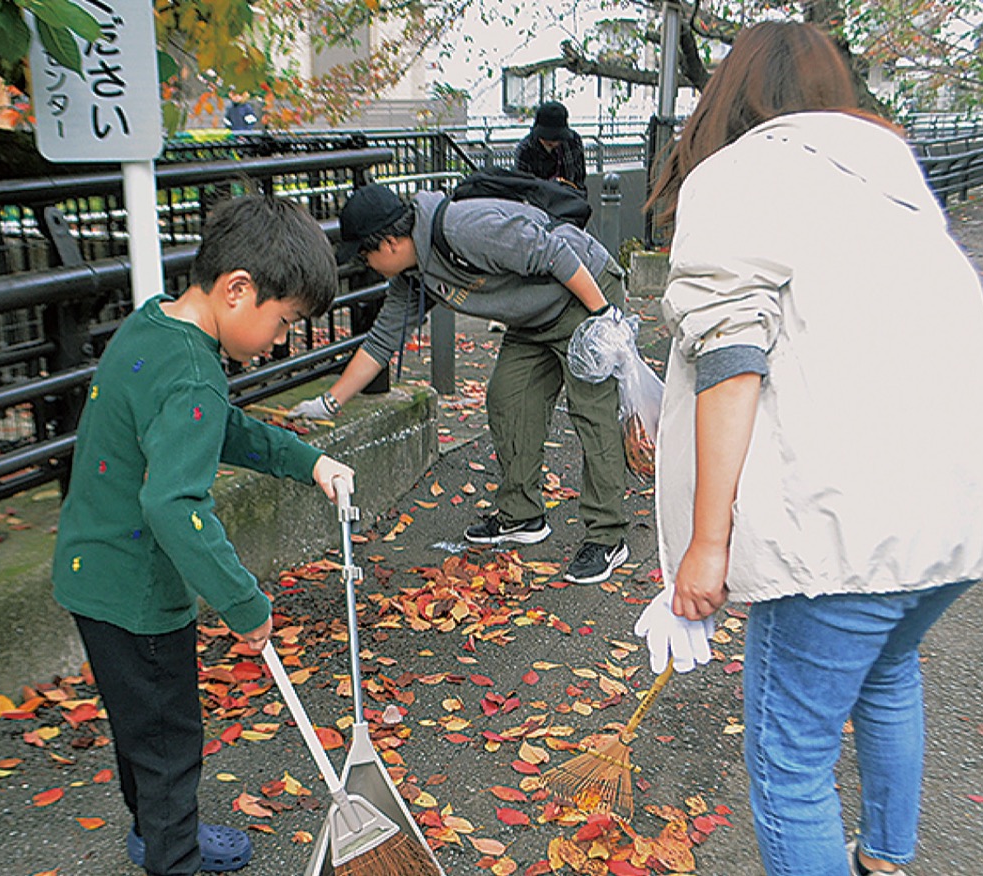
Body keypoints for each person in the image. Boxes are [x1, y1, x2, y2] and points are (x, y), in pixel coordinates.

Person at [633, 21, 983, 876]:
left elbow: (732, 362)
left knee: (790, 761)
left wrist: (706, 548)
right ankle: (885, 859)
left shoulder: (739, 176)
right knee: (889, 672)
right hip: (976, 496)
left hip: (849, 511)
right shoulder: (895, 178)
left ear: (727, 98)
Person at [52, 195, 355, 876]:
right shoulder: (194, 374)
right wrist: (246, 606)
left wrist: (305, 461)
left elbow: (218, 425)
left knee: (140, 730)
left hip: (88, 573)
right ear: (238, 289)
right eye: (283, 323)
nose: (280, 340)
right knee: (170, 742)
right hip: (138, 592)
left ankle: (152, 835)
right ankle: (173, 855)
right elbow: (173, 505)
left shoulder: (154, 325)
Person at [288, 183, 630, 584]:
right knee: (508, 399)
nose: (366, 264)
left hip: (583, 293)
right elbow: (382, 341)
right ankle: (522, 515)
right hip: (532, 317)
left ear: (392, 242)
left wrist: (605, 316)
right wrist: (328, 403)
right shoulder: (413, 276)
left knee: (592, 411)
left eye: (366, 253)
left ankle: (607, 536)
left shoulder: (464, 228)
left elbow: (554, 253)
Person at [515, 100, 588, 192]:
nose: (553, 142)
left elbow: (579, 180)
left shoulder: (573, 142)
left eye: (558, 138)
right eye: (547, 138)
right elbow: (524, 186)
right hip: (538, 200)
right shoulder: (525, 150)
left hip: (570, 198)